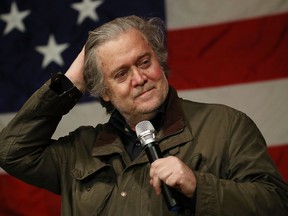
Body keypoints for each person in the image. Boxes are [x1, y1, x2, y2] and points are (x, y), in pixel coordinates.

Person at [0, 15, 287, 216]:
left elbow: (276, 204)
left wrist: (200, 187)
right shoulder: (80, 150)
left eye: (144, 62)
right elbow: (12, 151)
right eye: (121, 73)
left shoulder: (226, 125)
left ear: (159, 61)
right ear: (104, 92)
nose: (139, 78)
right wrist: (71, 83)